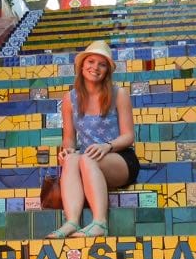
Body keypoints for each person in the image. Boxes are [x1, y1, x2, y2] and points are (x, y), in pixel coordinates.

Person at [47, 40, 140, 238]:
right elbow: (69, 138)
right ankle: (72, 222)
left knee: (86, 158)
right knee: (73, 158)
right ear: (82, 65)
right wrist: (67, 150)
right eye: (91, 61)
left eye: (102, 64)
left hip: (118, 158)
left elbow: (128, 136)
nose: (95, 67)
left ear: (107, 70)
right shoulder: (69, 99)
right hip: (87, 159)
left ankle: (99, 223)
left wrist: (107, 146)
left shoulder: (119, 94)